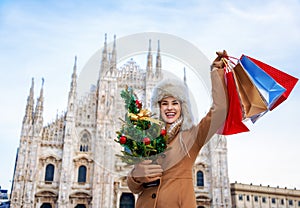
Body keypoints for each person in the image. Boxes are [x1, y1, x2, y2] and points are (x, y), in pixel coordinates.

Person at [127, 50, 229, 208]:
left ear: (183, 107)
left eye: (175, 103)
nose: (169, 108)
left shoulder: (192, 135)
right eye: (164, 103)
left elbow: (220, 110)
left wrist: (217, 72)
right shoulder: (148, 136)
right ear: (158, 107)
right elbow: (134, 187)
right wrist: (135, 176)